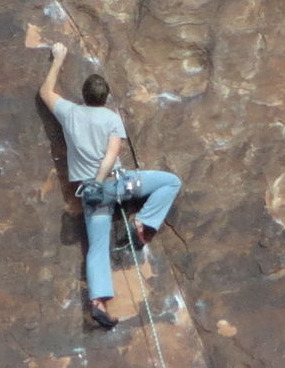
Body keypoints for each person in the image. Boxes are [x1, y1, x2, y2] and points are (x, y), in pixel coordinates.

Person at [39, 43, 182, 329]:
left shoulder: (69, 113)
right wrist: (101, 178)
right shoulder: (111, 118)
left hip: (92, 197)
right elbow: (111, 155)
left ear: (84, 96)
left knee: (97, 247)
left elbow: (45, 93)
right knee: (170, 181)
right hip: (118, 185)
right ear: (106, 98)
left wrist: (58, 59)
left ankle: (98, 302)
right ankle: (142, 223)